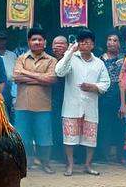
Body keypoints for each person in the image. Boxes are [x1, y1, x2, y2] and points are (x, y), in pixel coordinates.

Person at [55, 30, 110, 176]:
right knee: (69, 137)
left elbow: (106, 82)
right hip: (72, 105)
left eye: (88, 42)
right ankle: (70, 166)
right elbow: (59, 71)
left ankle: (88, 165)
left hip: (90, 105)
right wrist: (70, 52)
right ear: (78, 43)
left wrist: (94, 87)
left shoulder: (99, 63)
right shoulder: (71, 58)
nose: (85, 44)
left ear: (93, 44)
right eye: (82, 42)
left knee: (90, 138)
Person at [12, 28, 58, 173]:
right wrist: (40, 77)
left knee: (45, 137)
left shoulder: (52, 60)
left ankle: (46, 164)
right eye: (33, 39)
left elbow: (51, 79)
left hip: (43, 105)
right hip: (22, 105)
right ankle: (25, 163)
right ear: (29, 42)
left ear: (45, 42)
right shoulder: (21, 58)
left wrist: (26, 73)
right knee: (22, 137)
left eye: (40, 40)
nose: (37, 42)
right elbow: (16, 77)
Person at [99, 33, 125, 163]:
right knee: (104, 126)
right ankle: (104, 156)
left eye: (115, 40)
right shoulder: (99, 59)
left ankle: (120, 155)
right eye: (109, 40)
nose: (111, 42)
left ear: (119, 43)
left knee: (120, 126)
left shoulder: (124, 59)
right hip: (103, 97)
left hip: (120, 96)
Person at [49, 35, 68, 165]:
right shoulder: (48, 59)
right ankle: (54, 156)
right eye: (56, 44)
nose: (59, 46)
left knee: (67, 128)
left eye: (62, 44)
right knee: (53, 126)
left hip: (68, 98)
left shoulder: (72, 58)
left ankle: (67, 157)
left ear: (67, 46)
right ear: (51, 46)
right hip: (51, 98)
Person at [0, 29, 18, 113]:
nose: (1, 41)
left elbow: (16, 76)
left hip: (10, 88)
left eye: (3, 39)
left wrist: (15, 96)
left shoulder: (12, 55)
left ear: (6, 40)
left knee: (10, 116)